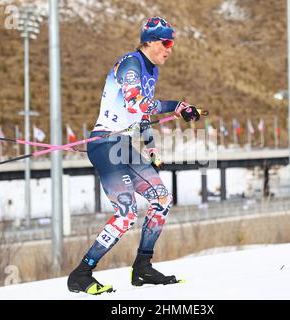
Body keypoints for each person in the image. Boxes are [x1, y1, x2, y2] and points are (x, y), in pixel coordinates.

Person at [67, 16, 201, 295]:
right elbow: (135, 101)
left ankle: (142, 268)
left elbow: (140, 118)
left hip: (124, 144)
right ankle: (82, 273)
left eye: (172, 43)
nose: (169, 48)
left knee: (162, 199)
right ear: (150, 42)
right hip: (106, 144)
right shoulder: (131, 63)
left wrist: (151, 150)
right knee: (126, 214)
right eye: (165, 42)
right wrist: (176, 106)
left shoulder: (151, 71)